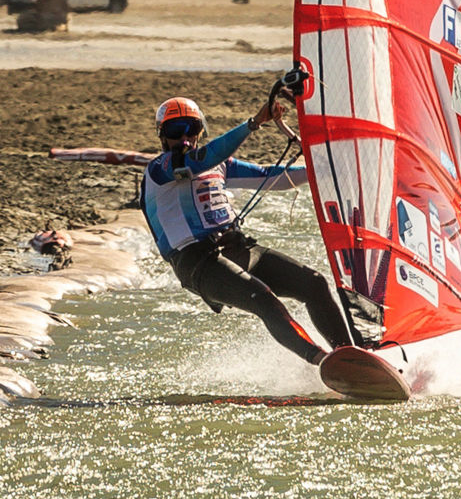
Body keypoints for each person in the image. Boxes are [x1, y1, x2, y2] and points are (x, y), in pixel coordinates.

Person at [140, 95, 350, 366]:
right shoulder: (160, 169)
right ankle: (324, 362)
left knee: (314, 283)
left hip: (237, 248)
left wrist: (325, 169)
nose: (184, 137)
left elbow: (273, 178)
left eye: (192, 129)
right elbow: (205, 157)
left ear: (200, 132)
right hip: (197, 263)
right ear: (162, 136)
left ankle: (353, 357)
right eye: (174, 131)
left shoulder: (220, 166)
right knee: (264, 299)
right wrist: (253, 123)